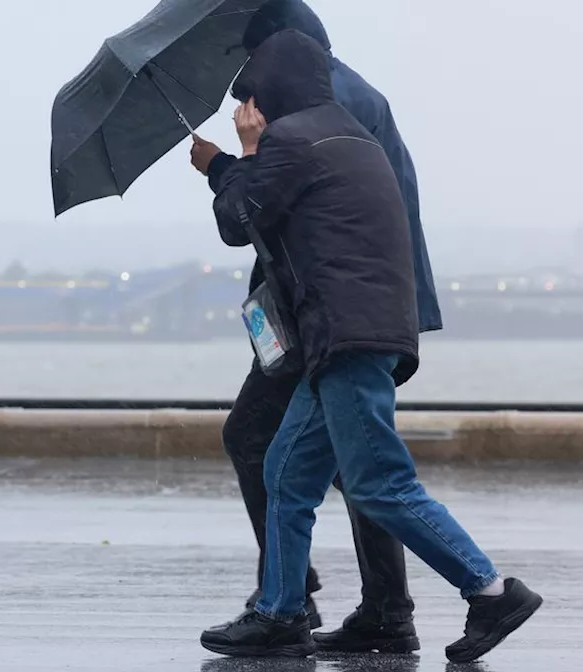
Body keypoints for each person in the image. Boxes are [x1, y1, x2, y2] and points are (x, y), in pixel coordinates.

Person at [198, 29, 543, 662]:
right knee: (285, 470)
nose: (250, 104)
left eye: (253, 92)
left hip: (345, 335)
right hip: (355, 331)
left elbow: (239, 221)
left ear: (273, 89)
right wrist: (238, 162)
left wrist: (239, 155)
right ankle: (279, 612)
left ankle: (492, 591)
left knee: (381, 483)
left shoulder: (291, 140)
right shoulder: (349, 134)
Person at [191, 0, 436, 654]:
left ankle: (292, 599)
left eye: (251, 56)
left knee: (265, 438)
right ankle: (370, 606)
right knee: (345, 455)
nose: (245, 74)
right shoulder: (338, 93)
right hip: (351, 305)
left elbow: (267, 216)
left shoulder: (312, 109)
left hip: (332, 309)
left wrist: (231, 165)